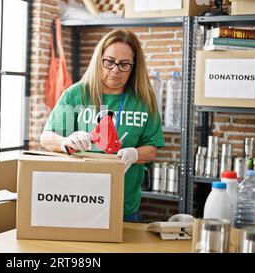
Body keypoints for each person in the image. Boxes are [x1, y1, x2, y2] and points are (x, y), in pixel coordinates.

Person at [40, 29, 165, 222]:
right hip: (77, 201)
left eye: (124, 64)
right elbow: (46, 138)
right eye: (109, 61)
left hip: (123, 206)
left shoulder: (144, 101)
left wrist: (135, 154)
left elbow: (152, 149)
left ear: (134, 66)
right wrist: (66, 141)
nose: (115, 69)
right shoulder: (76, 94)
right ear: (99, 60)